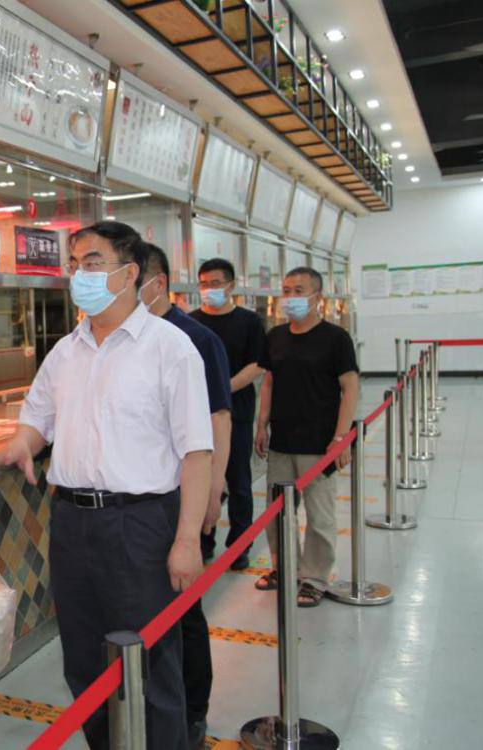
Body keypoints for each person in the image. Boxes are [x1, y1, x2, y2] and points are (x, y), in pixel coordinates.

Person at [0, 222, 212, 750]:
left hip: (140, 523)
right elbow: (37, 416)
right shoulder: (67, 351)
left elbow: (196, 452)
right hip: (72, 521)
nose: (78, 275)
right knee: (85, 660)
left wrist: (186, 540)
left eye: (91, 263)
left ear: (129, 274)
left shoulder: (170, 348)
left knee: (150, 662)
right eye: (74, 265)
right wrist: (23, 442)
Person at [140, 243, 231, 750]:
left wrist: (213, 489)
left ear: (154, 282)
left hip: (185, 495)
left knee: (185, 610)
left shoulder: (196, 338)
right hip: (144, 504)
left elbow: (219, 418)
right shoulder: (125, 338)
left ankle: (194, 711)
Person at [254, 267, 359, 607]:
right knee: (276, 512)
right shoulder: (275, 336)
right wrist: (262, 423)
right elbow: (269, 381)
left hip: (319, 444)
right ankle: (283, 566)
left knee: (319, 516)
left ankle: (314, 578)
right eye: (286, 290)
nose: (290, 297)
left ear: (317, 297)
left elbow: (350, 387)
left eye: (298, 291)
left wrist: (341, 437)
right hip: (282, 442)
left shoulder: (336, 339)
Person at [190, 258, 267, 569]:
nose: (209, 289)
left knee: (238, 480)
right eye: (204, 284)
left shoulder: (249, 322)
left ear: (231, 285)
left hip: (237, 413)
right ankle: (203, 540)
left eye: (215, 283)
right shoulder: (191, 323)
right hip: (198, 417)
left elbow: (257, 365)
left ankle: (240, 544)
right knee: (200, 479)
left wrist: (222, 389)